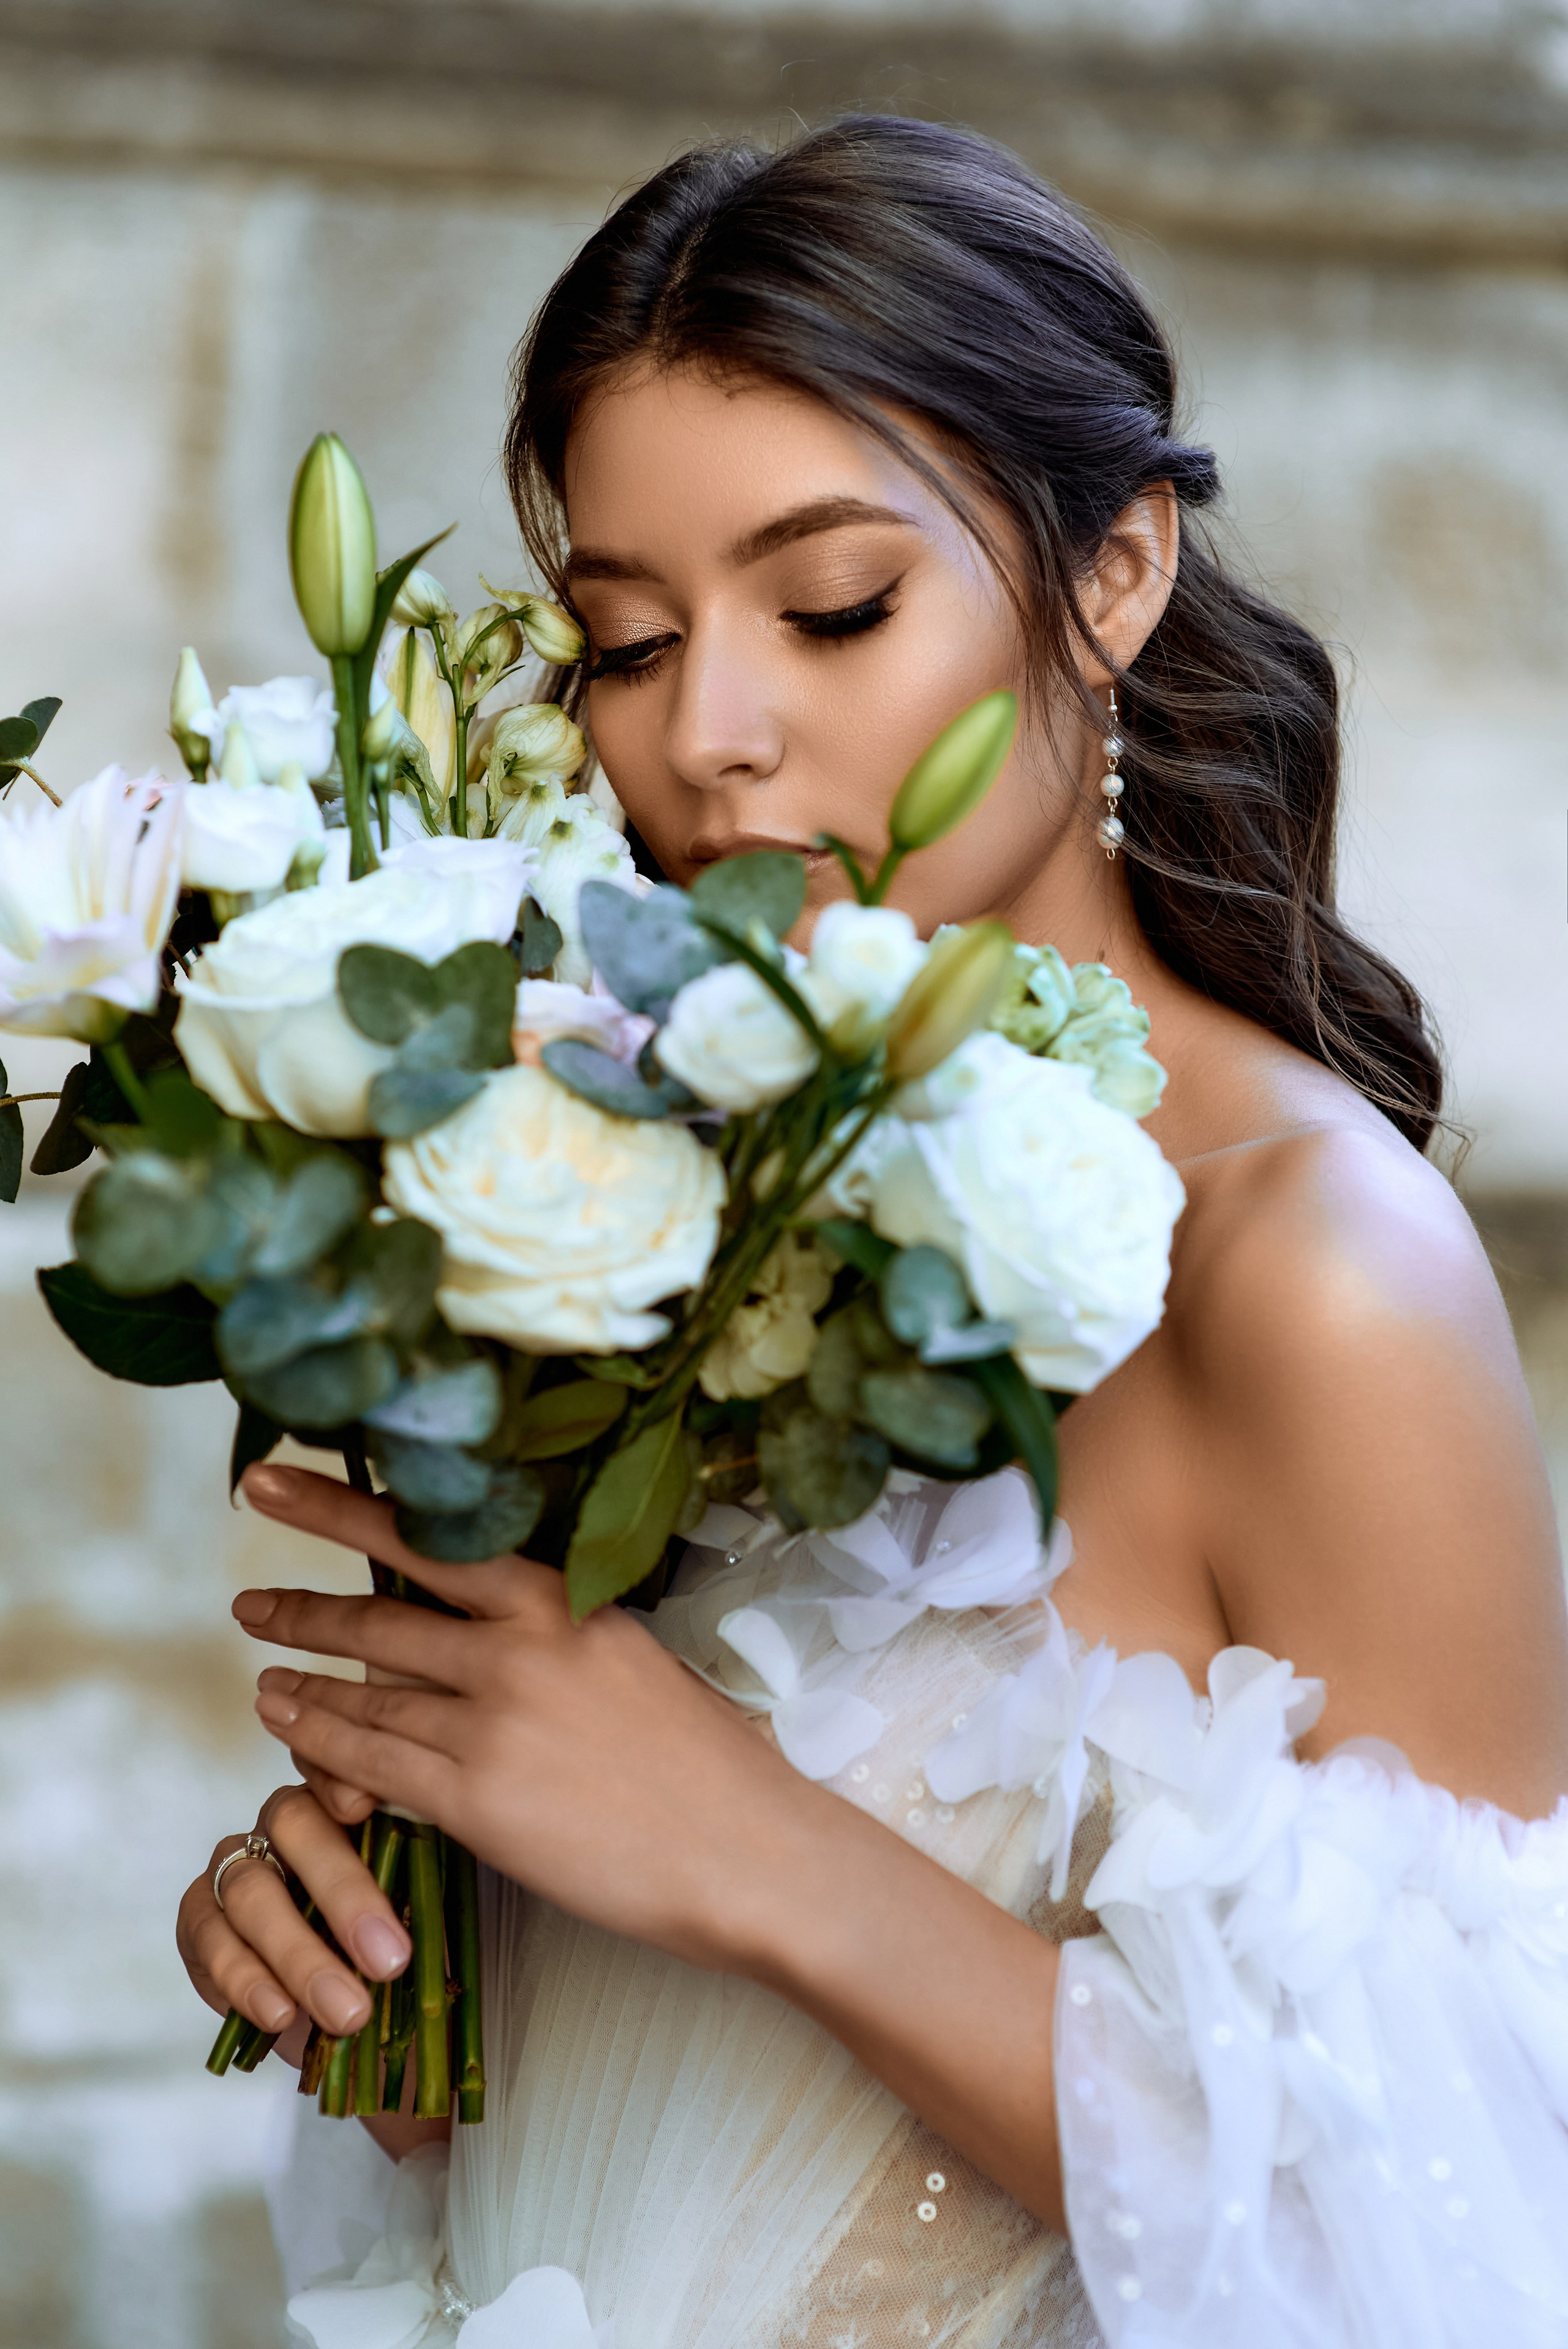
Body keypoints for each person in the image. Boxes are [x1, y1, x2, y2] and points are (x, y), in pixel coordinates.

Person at [176, 118, 1568, 2347]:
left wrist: (736, 1843)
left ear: (1114, 573)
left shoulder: (1317, 1273)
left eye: (833, 606)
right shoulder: (638, 1188)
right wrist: (407, 1963)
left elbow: (1460, 2219)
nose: (711, 737)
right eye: (625, 642)